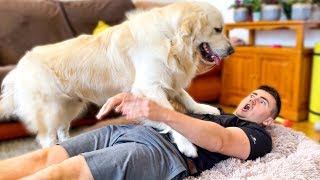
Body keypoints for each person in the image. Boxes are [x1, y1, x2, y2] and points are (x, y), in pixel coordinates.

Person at [0, 85, 281, 179]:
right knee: (46, 157)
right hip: (131, 132)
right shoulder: (216, 111)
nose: (253, 99)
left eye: (262, 102)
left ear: (268, 120)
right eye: (253, 94)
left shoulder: (258, 136)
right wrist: (134, 97)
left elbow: (218, 140)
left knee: (66, 171)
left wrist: (160, 113)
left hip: (162, 153)